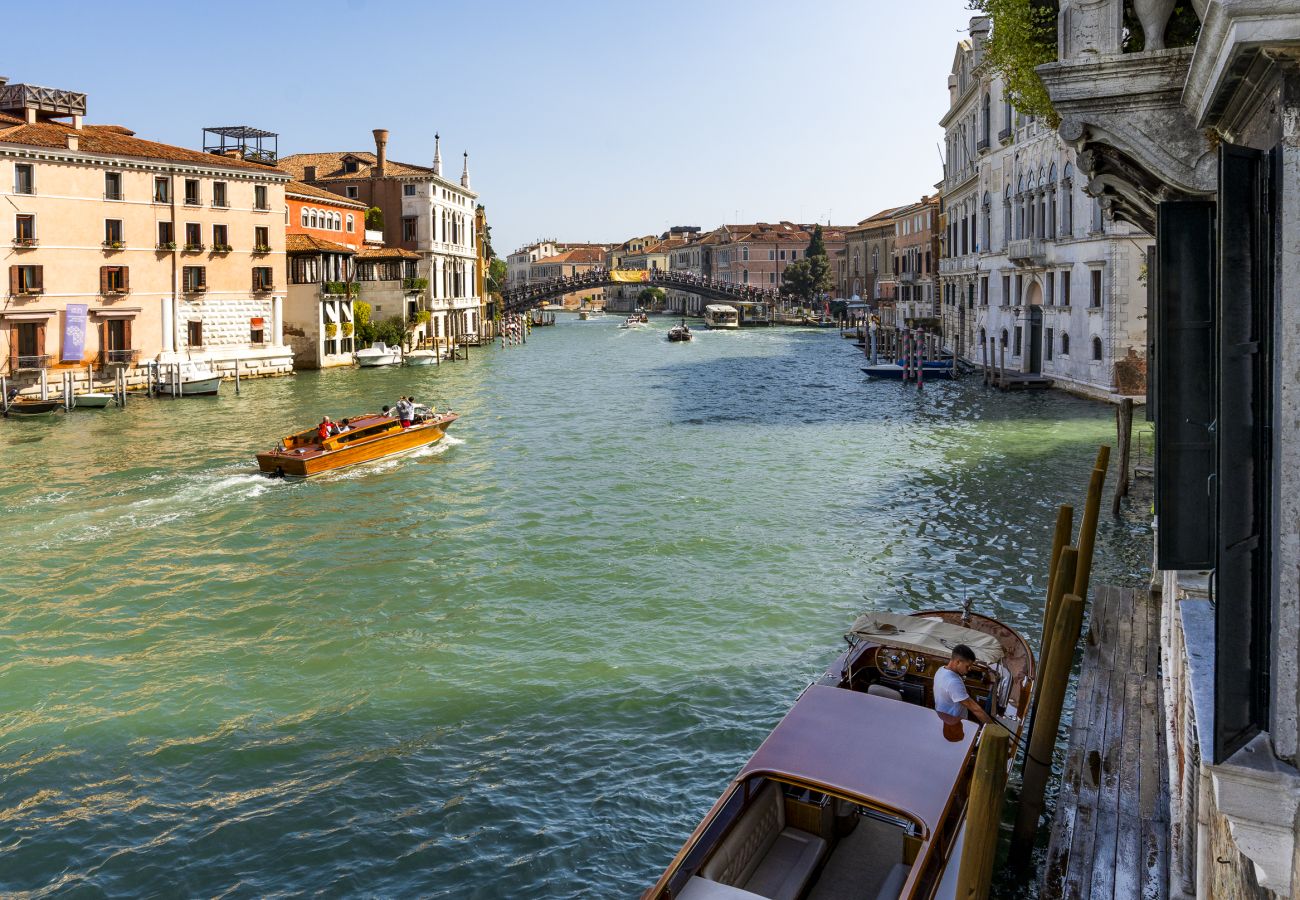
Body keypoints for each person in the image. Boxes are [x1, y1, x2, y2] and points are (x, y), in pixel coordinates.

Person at [932, 644, 996, 726]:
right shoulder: (953, 682)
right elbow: (976, 709)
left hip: (942, 718)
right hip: (954, 724)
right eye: (967, 666)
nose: (969, 669)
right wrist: (993, 727)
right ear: (958, 662)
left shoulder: (941, 669)